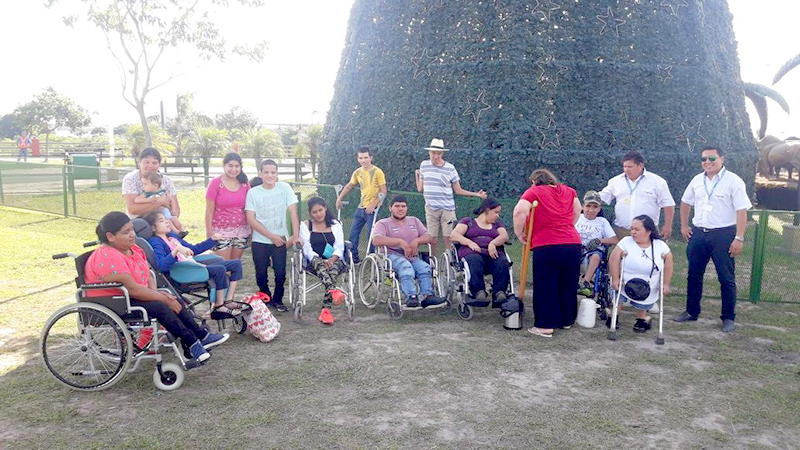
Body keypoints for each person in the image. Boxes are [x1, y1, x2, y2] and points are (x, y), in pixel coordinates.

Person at [84, 212, 228, 363]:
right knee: (162, 305)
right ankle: (192, 342)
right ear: (110, 236)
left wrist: (156, 292)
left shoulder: (133, 248)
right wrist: (161, 298)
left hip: (130, 296)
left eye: (132, 229)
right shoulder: (108, 257)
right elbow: (133, 289)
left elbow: (148, 273)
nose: (132, 234)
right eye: (126, 232)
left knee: (173, 298)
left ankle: (201, 336)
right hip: (114, 301)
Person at [674, 146, 752, 332]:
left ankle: (728, 318)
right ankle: (691, 312)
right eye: (703, 159)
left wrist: (739, 238)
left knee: (726, 278)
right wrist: (684, 226)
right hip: (699, 233)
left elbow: (741, 211)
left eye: (711, 158)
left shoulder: (734, 181)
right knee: (693, 275)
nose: (707, 162)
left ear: (722, 159)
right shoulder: (696, 180)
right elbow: (685, 202)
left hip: (723, 234)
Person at [513, 168, 582, 338]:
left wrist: (519, 232)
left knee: (546, 285)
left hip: (547, 244)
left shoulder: (534, 191)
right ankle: (566, 320)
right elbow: (577, 210)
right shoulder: (568, 190)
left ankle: (545, 325)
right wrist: (566, 226)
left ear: (534, 181)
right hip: (572, 243)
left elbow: (520, 211)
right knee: (568, 283)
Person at [143, 211, 243, 317]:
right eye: (161, 221)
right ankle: (219, 306)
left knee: (236, 264)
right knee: (219, 269)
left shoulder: (172, 236)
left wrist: (212, 240)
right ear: (153, 228)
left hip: (192, 265)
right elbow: (162, 266)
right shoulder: (155, 242)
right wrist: (176, 251)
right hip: (182, 272)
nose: (167, 222)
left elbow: (193, 250)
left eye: (166, 219)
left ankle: (228, 300)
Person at [415, 138, 487, 256]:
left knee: (449, 238)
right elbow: (420, 188)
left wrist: (476, 194)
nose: (435, 156)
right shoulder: (424, 165)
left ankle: (451, 263)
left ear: (442, 154)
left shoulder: (450, 168)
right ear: (429, 153)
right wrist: (416, 175)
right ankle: (434, 264)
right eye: (433, 153)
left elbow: (458, 190)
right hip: (430, 208)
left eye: (438, 153)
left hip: (447, 209)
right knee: (431, 239)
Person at [372, 195, 446, 308]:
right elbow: (376, 240)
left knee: (424, 268)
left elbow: (429, 237)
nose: (400, 209)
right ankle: (411, 296)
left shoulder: (414, 221)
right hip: (391, 255)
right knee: (406, 267)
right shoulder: (383, 223)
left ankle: (427, 296)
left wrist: (416, 241)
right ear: (390, 208)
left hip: (412, 256)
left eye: (403, 206)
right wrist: (400, 242)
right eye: (397, 206)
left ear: (407, 208)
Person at [246, 159, 300, 312]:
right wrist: (271, 236)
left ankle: (278, 299)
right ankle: (266, 298)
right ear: (260, 174)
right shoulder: (253, 193)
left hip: (280, 240)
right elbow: (251, 219)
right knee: (261, 272)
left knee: (281, 272)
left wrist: (295, 236)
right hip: (260, 240)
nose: (270, 175)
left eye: (273, 172)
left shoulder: (285, 188)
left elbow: (293, 212)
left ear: (277, 174)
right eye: (266, 172)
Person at [608, 215, 673, 333]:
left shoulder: (660, 246)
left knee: (643, 305)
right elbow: (614, 258)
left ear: (648, 231)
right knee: (619, 297)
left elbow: (668, 264)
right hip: (625, 280)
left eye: (637, 230)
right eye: (632, 229)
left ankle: (642, 318)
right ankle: (614, 315)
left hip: (648, 284)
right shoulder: (626, 242)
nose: (633, 232)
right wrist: (615, 278)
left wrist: (666, 284)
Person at [599, 150, 675, 239]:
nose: (626, 169)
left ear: (640, 165)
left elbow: (668, 204)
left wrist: (667, 226)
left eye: (630, 167)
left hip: (647, 232)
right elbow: (601, 198)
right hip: (621, 231)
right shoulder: (615, 181)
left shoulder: (657, 182)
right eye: (625, 166)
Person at [449, 197, 510, 307]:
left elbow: (504, 236)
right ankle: (478, 292)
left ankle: (499, 292)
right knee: (474, 260)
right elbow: (454, 235)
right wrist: (469, 243)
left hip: (492, 253)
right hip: (472, 252)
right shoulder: (468, 222)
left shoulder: (497, 225)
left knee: (502, 261)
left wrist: (493, 243)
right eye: (496, 212)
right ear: (487, 210)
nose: (497, 215)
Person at [335, 147, 387, 265]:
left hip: (373, 209)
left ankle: (373, 259)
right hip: (361, 207)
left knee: (372, 235)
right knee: (353, 233)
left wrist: (373, 205)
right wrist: (339, 198)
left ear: (371, 158)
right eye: (361, 158)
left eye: (365, 157)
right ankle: (354, 258)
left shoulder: (377, 172)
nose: (363, 160)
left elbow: (384, 191)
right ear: (358, 159)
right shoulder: (357, 172)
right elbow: (349, 186)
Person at [299, 197, 347, 325]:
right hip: (314, 259)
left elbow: (339, 245)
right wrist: (317, 258)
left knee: (332, 271)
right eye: (314, 212)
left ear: (325, 208)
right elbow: (306, 247)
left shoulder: (336, 225)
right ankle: (332, 292)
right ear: (310, 213)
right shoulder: (306, 226)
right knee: (319, 264)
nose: (318, 214)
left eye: (320, 210)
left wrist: (332, 259)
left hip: (335, 259)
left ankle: (326, 310)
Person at [122, 148, 183, 232]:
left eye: (154, 163)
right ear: (139, 162)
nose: (150, 166)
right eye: (146, 162)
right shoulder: (130, 179)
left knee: (176, 238)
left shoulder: (166, 180)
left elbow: (175, 210)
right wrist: (160, 202)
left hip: (164, 224)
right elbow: (133, 209)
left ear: (159, 165)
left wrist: (171, 217)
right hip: (140, 225)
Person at [205, 153, 251, 260]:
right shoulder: (215, 183)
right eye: (230, 166)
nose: (233, 169)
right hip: (220, 231)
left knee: (235, 264)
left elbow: (250, 208)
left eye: (237, 166)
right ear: (224, 166)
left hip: (241, 230)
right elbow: (209, 211)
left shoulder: (244, 183)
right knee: (224, 265)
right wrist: (209, 232)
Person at [575, 190, 619, 297]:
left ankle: (585, 283)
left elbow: (615, 240)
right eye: (588, 206)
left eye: (595, 207)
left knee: (595, 256)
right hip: (577, 248)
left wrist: (600, 240)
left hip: (594, 250)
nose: (591, 210)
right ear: (582, 207)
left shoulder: (602, 221)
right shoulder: (576, 218)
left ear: (599, 209)